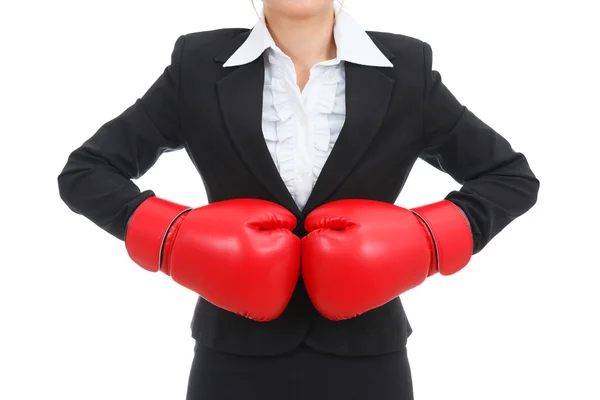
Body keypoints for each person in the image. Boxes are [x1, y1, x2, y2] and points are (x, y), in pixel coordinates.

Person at [57, 1, 540, 399]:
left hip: (368, 360)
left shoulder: (406, 69)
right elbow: (86, 172)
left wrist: (425, 241)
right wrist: (174, 238)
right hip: (232, 358)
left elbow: (509, 177)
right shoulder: (199, 64)